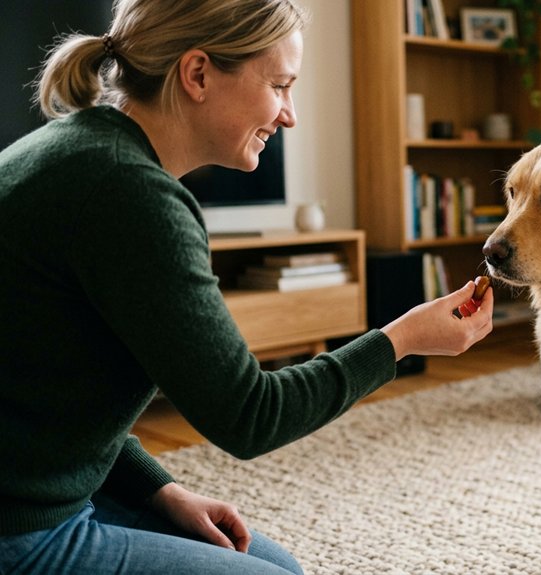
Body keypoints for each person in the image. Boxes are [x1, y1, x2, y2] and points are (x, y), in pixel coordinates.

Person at [0, 1, 493, 573]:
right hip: (21, 528)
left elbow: (49, 401)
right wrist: (400, 340)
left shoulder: (79, 150)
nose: (290, 116)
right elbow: (252, 416)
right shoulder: (130, 195)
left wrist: (158, 489)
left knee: (278, 564)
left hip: (40, 485)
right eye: (280, 85)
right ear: (198, 74)